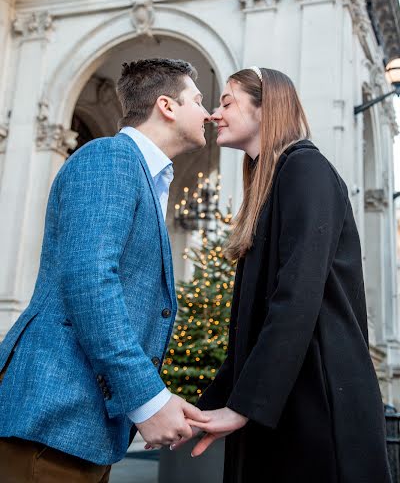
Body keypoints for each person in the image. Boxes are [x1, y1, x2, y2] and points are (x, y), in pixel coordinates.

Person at [0, 58, 210, 482]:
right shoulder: (110, 158)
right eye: (198, 100)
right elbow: (90, 282)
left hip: (81, 429)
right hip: (50, 419)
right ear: (167, 106)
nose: (208, 113)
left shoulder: (142, 175)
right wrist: (148, 399)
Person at [184, 67, 392, 482]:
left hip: (316, 400)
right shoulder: (274, 182)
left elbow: (296, 297)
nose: (213, 114)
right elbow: (251, 328)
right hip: (285, 400)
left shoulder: (305, 170)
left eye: (226, 102)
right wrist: (202, 411)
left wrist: (244, 405)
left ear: (267, 108)